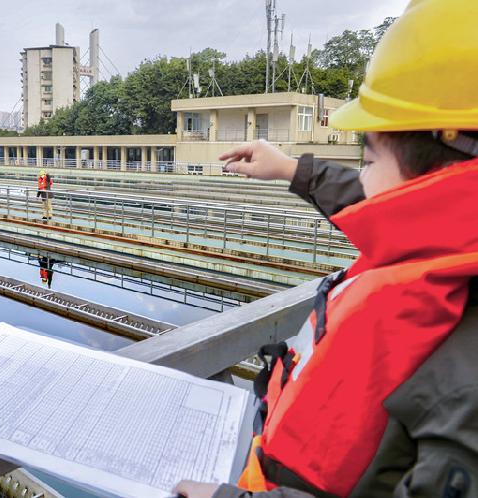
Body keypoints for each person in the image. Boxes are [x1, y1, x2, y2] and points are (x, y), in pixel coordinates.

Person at [175, 0, 478, 496]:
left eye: (370, 157)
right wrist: (296, 170)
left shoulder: (466, 379)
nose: (362, 177)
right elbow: (395, 206)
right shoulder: (452, 253)